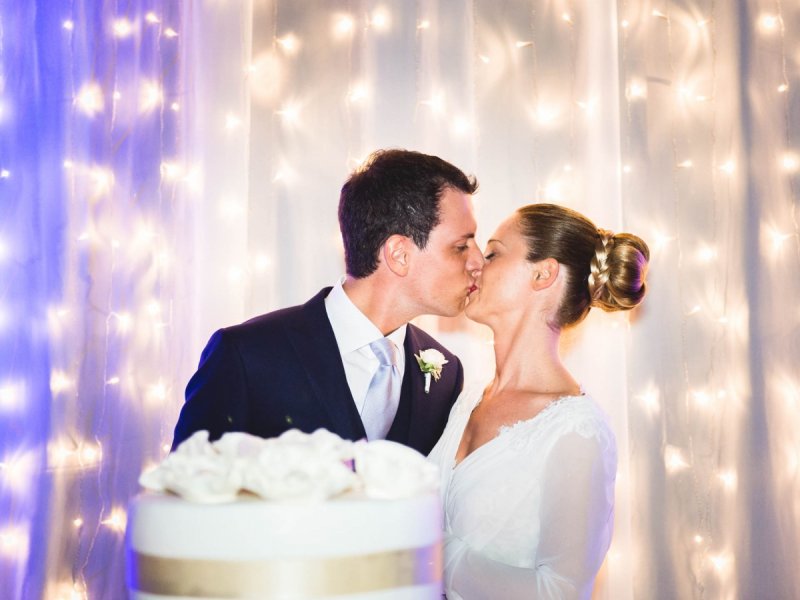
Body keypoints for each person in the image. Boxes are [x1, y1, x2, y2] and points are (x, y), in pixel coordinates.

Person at [172, 149, 484, 455]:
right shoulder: (246, 356)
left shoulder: (446, 375)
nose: (478, 262)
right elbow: (181, 496)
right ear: (399, 254)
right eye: (461, 246)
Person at [428, 203, 649, 599]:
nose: (475, 262)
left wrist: (427, 554)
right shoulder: (467, 397)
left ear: (543, 274)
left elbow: (561, 591)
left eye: (493, 253)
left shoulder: (577, 430)